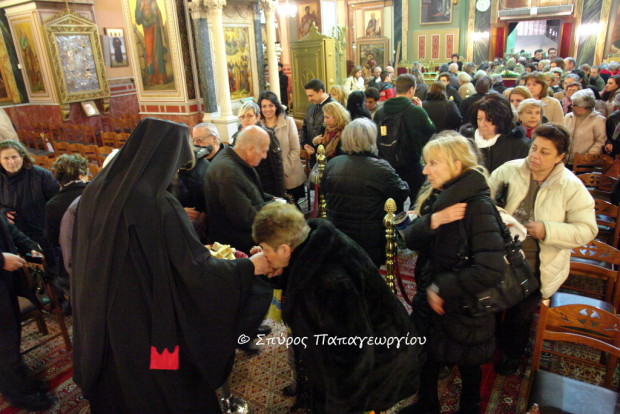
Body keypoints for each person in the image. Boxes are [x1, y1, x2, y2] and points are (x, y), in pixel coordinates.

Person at [71, 118, 274, 412]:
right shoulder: (157, 204)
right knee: (165, 380)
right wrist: (249, 267)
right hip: (150, 319)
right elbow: (195, 270)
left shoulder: (97, 190)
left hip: (99, 314)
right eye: (176, 166)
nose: (175, 173)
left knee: (119, 386)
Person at [252, 202, 423, 413]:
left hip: (378, 367)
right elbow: (297, 275)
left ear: (285, 249)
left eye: (266, 250)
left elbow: (353, 355)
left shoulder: (328, 284)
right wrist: (274, 270)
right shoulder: (313, 242)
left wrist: (339, 407)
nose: (263, 255)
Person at [399, 132, 506, 414]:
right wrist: (433, 220)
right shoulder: (439, 196)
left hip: (465, 303)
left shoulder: (478, 207)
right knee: (429, 355)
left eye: (433, 163)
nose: (425, 170)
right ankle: (427, 403)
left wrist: (441, 287)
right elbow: (410, 239)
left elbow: (491, 269)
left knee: (468, 362)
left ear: (457, 165)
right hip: (433, 297)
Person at [490, 124, 597, 375]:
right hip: (499, 255)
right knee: (490, 305)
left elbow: (586, 230)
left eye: (545, 152)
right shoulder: (509, 170)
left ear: (560, 157)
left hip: (536, 264)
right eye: (534, 148)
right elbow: (483, 200)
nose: (535, 156)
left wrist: (547, 230)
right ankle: (489, 343)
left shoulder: (570, 186)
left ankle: (512, 354)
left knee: (519, 317)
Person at [322, 118, 409, 266]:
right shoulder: (380, 168)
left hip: (338, 234)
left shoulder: (333, 164)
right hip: (371, 239)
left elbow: (325, 193)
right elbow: (401, 193)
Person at [0, 215, 52, 411]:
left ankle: (22, 383)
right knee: (4, 347)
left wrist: (31, 247)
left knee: (11, 339)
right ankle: (23, 396)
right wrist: (1, 260)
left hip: (6, 284)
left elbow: (7, 228)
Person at [205, 125, 275, 253]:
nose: (265, 156)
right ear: (251, 149)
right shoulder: (228, 172)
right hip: (239, 246)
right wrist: (275, 206)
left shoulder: (234, 158)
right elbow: (245, 219)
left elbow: (249, 191)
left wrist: (270, 198)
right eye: (264, 151)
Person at [0, 140, 58, 274]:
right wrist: (3, 211)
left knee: (50, 270)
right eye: (6, 158)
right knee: (25, 273)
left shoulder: (41, 175)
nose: (11, 162)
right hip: (14, 237)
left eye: (14, 157)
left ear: (22, 156)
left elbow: (55, 202)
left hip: (42, 232)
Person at [374, 74, 436, 198]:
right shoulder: (416, 111)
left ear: (396, 89)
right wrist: (422, 109)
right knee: (417, 198)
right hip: (411, 164)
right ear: (411, 89)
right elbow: (431, 130)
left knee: (392, 201)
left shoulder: (380, 112)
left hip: (387, 164)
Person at [44, 154, 89, 291]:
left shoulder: (53, 204)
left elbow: (52, 239)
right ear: (81, 174)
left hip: (72, 264)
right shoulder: (94, 194)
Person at [259, 91, 306, 203]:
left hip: (289, 172)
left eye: (271, 105)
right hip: (268, 176)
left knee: (291, 206)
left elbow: (295, 149)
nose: (267, 109)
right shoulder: (258, 125)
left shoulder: (288, 121)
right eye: (264, 106)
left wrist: (282, 168)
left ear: (276, 106)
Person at [234, 101, 285, 198]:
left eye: (249, 116)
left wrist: (280, 194)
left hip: (266, 186)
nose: (246, 120)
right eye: (242, 117)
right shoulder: (237, 137)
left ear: (257, 117)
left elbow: (277, 167)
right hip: (247, 187)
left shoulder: (267, 135)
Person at [471, 94, 530, 173]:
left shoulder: (520, 146)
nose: (482, 124)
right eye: (479, 119)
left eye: (488, 120)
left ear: (501, 120)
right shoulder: (468, 143)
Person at [563, 88, 607, 165]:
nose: (571, 106)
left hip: (585, 163)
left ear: (584, 107)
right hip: (564, 161)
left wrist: (591, 153)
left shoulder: (598, 120)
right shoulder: (568, 117)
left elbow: (600, 141)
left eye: (574, 105)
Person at [135, 0, 168, 86]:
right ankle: (151, 78)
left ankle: (161, 77)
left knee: (158, 53)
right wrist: (141, 8)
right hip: (147, 31)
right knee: (149, 54)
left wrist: (156, 13)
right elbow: (138, 20)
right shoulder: (138, 2)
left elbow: (158, 12)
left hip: (156, 29)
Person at [300, 79, 333, 156]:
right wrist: (304, 144)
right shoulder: (311, 106)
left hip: (327, 153)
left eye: (311, 95)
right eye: (308, 96)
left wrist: (315, 142)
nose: (309, 99)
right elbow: (305, 126)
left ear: (320, 92)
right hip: (312, 152)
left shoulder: (334, 106)